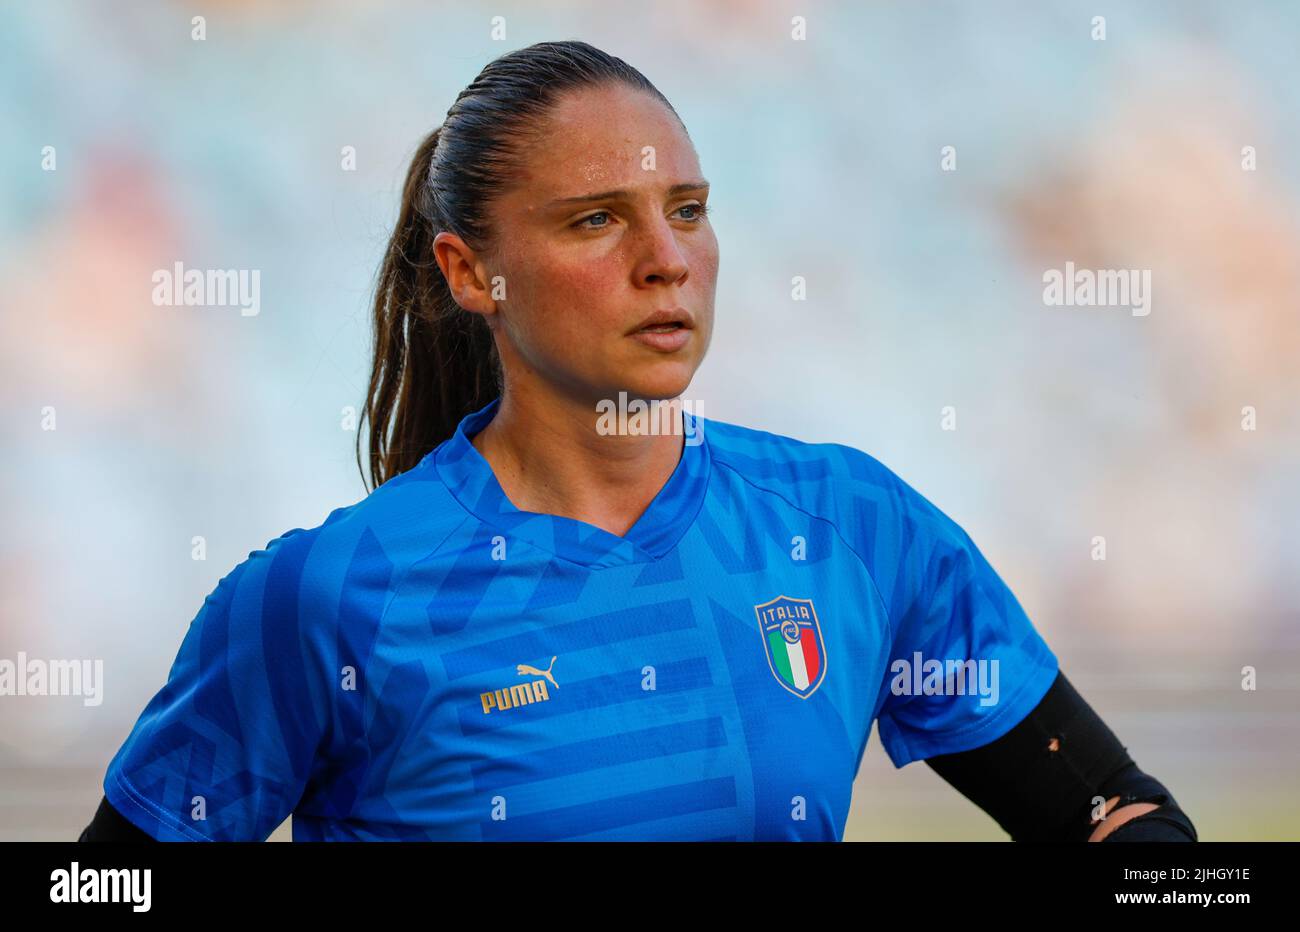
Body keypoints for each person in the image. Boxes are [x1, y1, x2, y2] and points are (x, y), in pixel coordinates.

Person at [80, 40, 1195, 843]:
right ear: (473, 271)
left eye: (691, 208)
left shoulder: (849, 527)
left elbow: (1118, 811)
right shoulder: (324, 595)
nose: (667, 256)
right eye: (597, 218)